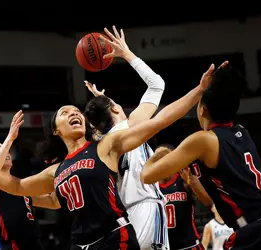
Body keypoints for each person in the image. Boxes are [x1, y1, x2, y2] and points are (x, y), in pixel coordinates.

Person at [0, 27, 214, 250]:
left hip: (120, 231)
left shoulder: (106, 144)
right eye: (65, 112)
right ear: (56, 130)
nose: (74, 113)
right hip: (83, 242)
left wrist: (198, 91)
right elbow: (16, 186)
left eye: (77, 111)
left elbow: (162, 118)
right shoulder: (57, 170)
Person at [140, 64, 261, 250]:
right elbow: (211, 201)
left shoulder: (203, 140)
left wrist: (157, 154)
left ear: (202, 110)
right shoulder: (242, 133)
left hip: (260, 230)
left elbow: (147, 175)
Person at [84, 25, 168, 250]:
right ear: (113, 109)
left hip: (122, 219)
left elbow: (106, 122)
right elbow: (157, 85)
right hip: (147, 207)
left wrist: (101, 102)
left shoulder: (100, 144)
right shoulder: (133, 125)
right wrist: (127, 54)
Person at [0, 111, 60, 250]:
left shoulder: (22, 185)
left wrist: (58, 169)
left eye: (8, 150)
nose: (7, 152)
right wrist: (10, 137)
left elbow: (53, 202)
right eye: (0, 150)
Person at [146, 144, 212, 250]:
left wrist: (192, 183)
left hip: (188, 245)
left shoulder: (184, 180)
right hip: (162, 246)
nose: (162, 160)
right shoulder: (149, 186)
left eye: (165, 156)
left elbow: (208, 201)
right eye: (158, 157)